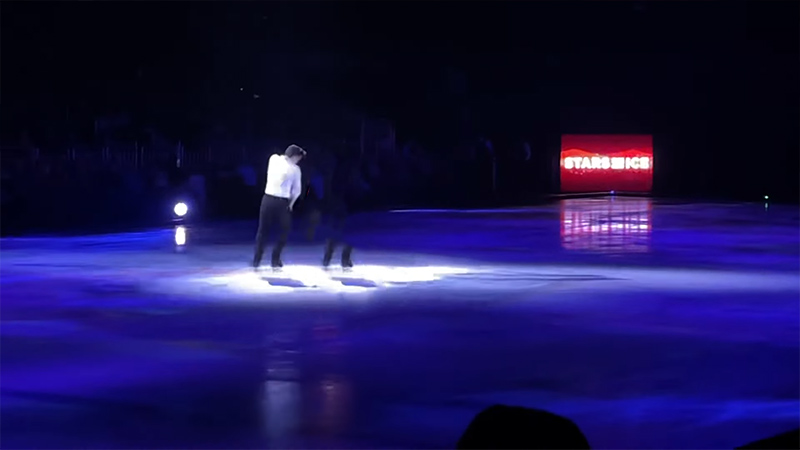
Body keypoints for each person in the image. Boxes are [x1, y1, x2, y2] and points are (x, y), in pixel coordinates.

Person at [252, 144, 306, 269]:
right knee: (278, 230)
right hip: (280, 201)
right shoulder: (294, 169)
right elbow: (296, 191)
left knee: (265, 230)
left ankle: (260, 259)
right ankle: (271, 259)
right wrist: (291, 204)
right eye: (299, 157)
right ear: (294, 156)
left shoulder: (274, 159)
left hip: (269, 199)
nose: (299, 160)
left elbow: (296, 190)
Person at [305, 163, 353, 268]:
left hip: (342, 203)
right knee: (337, 230)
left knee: (345, 230)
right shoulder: (328, 179)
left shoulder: (338, 178)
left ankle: (337, 258)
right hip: (337, 203)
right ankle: (331, 258)